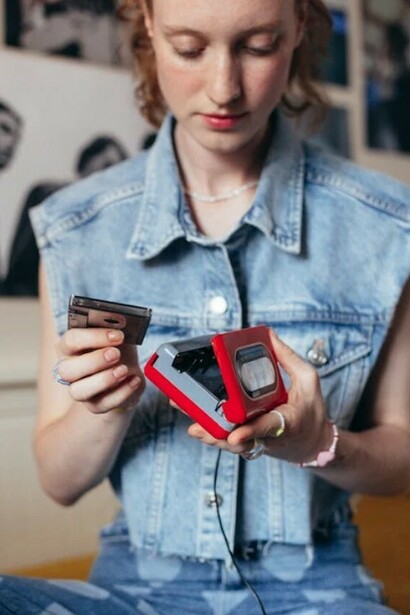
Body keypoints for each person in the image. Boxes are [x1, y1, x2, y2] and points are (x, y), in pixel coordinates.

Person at [1, 1, 410, 614]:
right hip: (130, 591)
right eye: (190, 48)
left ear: (300, 24)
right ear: (145, 21)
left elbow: (399, 460)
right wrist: (108, 404)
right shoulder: (77, 227)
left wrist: (319, 443)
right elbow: (60, 483)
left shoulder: (384, 224)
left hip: (318, 591)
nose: (224, 89)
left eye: (259, 45)